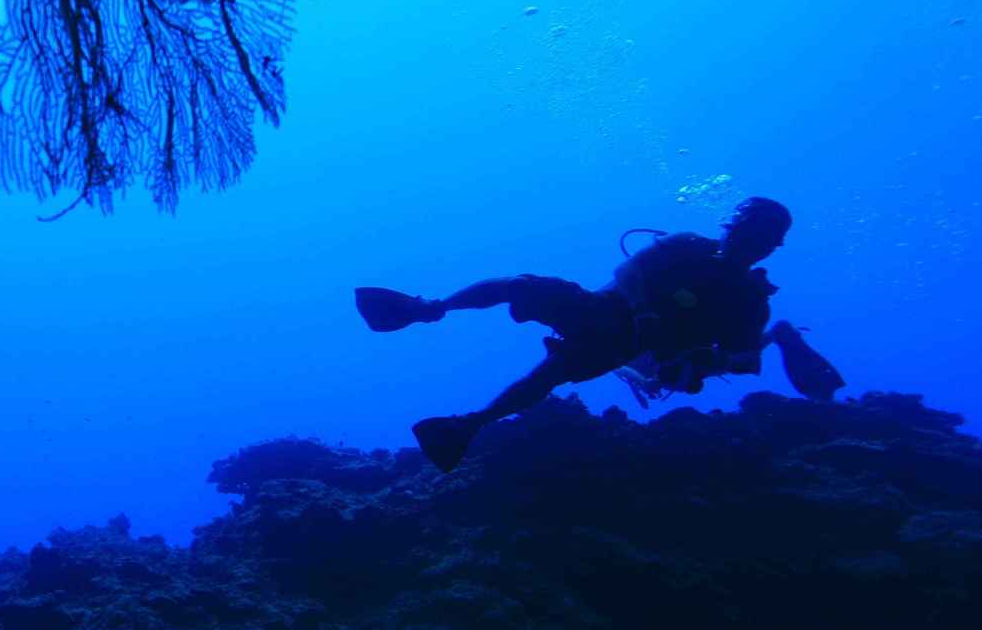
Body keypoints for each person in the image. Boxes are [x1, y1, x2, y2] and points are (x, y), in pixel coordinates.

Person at [355, 197, 841, 473]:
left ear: (771, 247)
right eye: (743, 225)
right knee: (523, 286)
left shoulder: (750, 301)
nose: (746, 238)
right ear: (730, 223)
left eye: (759, 235)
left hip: (626, 348)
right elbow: (630, 269)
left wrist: (695, 364)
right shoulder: (688, 246)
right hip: (602, 310)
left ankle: (466, 426)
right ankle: (427, 308)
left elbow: (737, 360)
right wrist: (646, 311)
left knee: (550, 374)